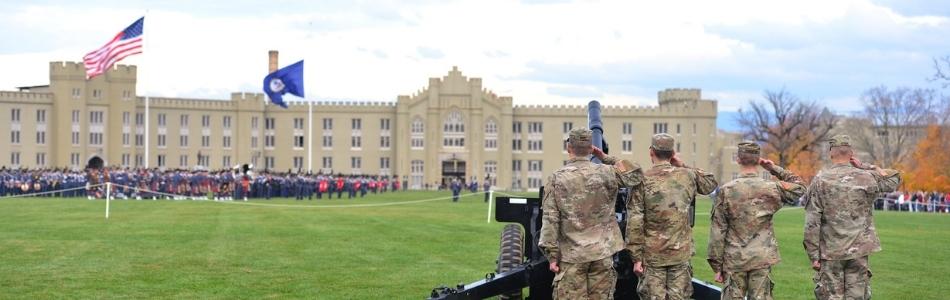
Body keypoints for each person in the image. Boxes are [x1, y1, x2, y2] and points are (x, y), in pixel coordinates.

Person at [539, 128, 643, 299]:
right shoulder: (607, 172)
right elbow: (636, 174)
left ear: (568, 148)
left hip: (572, 256)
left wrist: (551, 255)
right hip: (602, 254)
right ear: (591, 149)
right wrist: (605, 157)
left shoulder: (557, 178)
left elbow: (550, 219)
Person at [804, 135, 901, 300]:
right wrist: (865, 166)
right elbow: (893, 178)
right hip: (859, 250)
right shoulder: (866, 177)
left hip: (831, 251)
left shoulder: (820, 180)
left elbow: (812, 221)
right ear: (851, 154)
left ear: (831, 154)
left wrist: (814, 255)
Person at [707, 141, 805, 300]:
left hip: (735, 259)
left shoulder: (727, 190)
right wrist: (773, 168)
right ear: (758, 160)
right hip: (761, 257)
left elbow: (718, 231)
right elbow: (800, 187)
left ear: (738, 160)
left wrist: (717, 266)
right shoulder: (771, 187)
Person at [627, 133, 717, 300]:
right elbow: (710, 184)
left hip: (652, 256)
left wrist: (636, 257)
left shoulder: (642, 180)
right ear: (672, 153)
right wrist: (682, 164)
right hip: (680, 254)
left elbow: (635, 220)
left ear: (651, 152)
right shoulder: (687, 176)